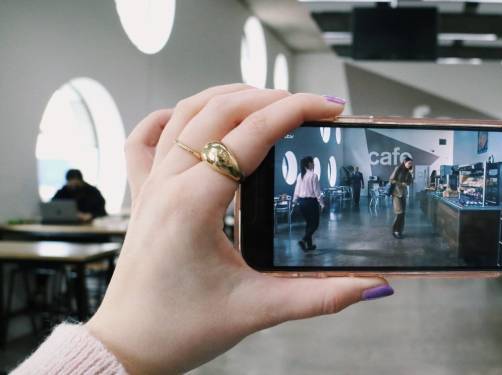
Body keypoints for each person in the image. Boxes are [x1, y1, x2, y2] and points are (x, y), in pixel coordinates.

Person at [13, 85, 393, 374]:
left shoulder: (312, 177)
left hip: (310, 206)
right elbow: (301, 191)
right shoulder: (305, 179)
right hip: (307, 205)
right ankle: (308, 238)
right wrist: (119, 348)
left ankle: (308, 237)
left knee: (309, 225)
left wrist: (119, 345)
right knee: (309, 225)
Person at [293, 156, 324, 251]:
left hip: (301, 203)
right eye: (313, 162)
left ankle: (309, 246)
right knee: (315, 224)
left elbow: (296, 190)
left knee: (309, 224)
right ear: (309, 164)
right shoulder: (313, 176)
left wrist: (294, 201)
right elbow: (317, 192)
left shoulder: (300, 175)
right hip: (311, 203)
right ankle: (303, 240)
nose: (314, 164)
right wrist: (322, 204)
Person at [389, 157, 413, 239]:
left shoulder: (408, 172)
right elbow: (391, 180)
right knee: (399, 213)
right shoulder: (398, 169)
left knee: (403, 214)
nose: (410, 165)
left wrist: (411, 174)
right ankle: (395, 230)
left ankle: (400, 231)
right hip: (396, 194)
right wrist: (401, 183)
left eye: (411, 163)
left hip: (403, 194)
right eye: (409, 163)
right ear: (404, 162)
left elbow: (409, 183)